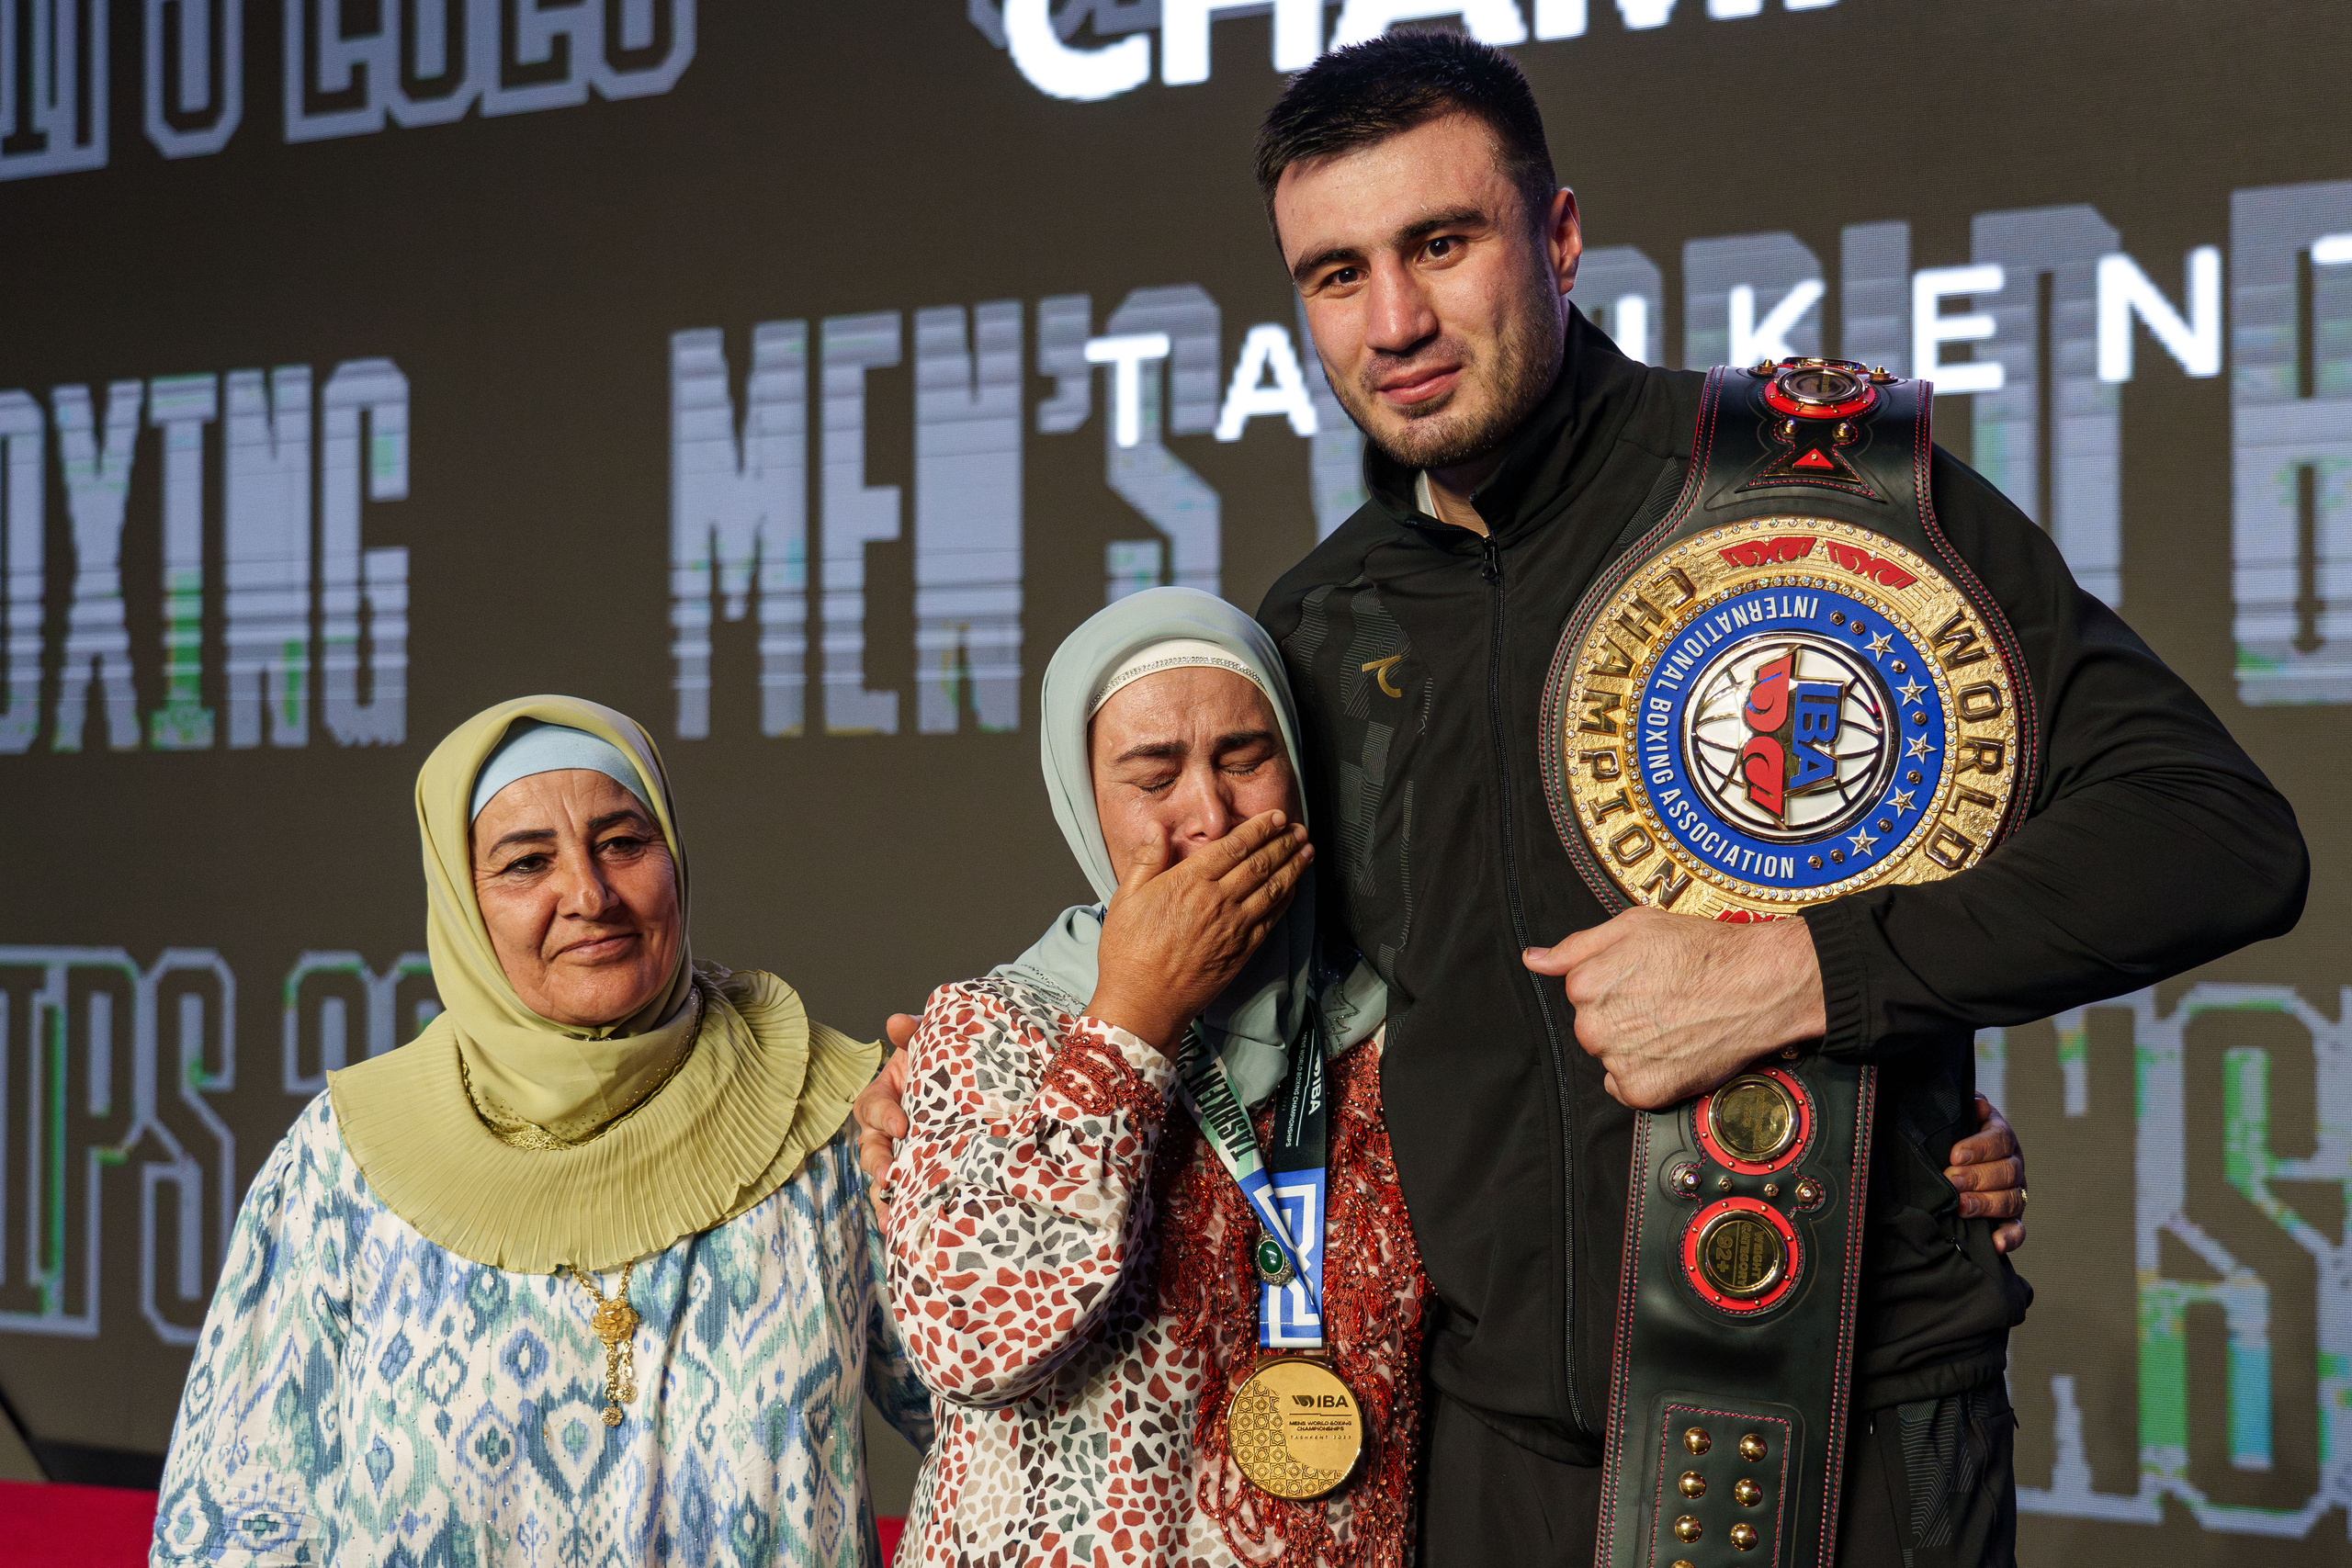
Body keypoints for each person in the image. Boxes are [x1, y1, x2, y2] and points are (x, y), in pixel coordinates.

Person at [1242, 28, 2306, 1568]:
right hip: (1489, 1461)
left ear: (1556, 235)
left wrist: (1812, 976)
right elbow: (1279, 1027)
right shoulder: (1322, 615)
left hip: (1852, 1432)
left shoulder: (1817, 491)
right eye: (1335, 273)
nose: (1393, 318)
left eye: (1442, 243)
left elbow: (2214, 834)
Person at [150, 696, 931, 1568]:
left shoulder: (832, 1118)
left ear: (674, 856)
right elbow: (236, 1524)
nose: (590, 894)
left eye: (624, 843)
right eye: (527, 863)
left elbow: (1004, 1424)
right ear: (460, 900)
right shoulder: (344, 1162)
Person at [879, 589, 1427, 1568]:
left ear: (1298, 774)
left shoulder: (1382, 1031)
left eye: (1243, 758)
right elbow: (970, 1338)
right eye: (1152, 774)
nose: (1208, 815)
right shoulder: (991, 1024)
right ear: (1083, 800)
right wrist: (1134, 1014)